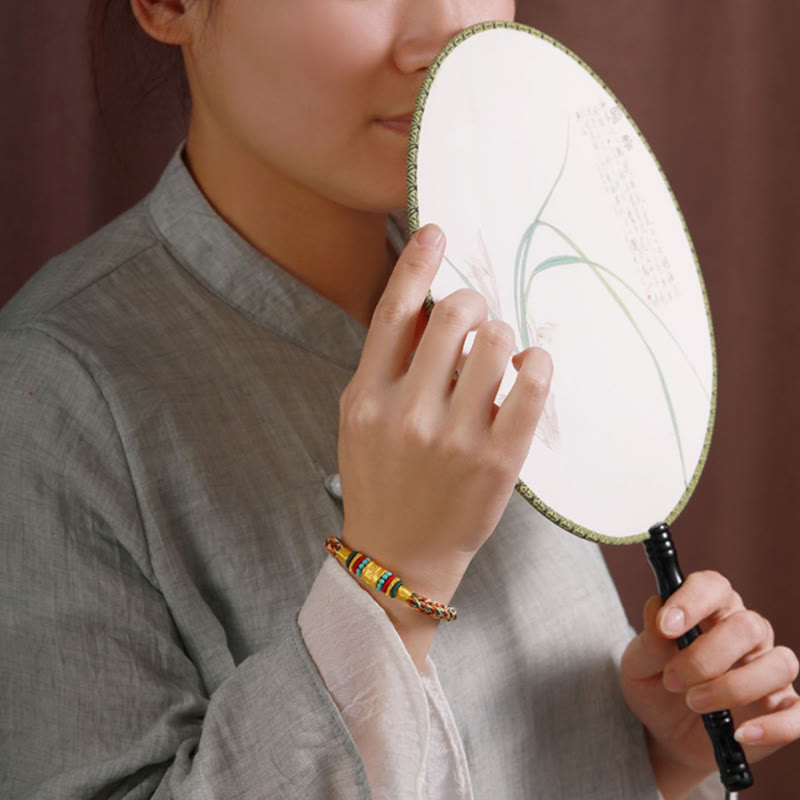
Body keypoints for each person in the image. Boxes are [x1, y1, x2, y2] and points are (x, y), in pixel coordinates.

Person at [1, 1, 798, 798]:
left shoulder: (508, 288)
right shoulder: (51, 398)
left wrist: (648, 758)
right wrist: (390, 578)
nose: (446, 32)